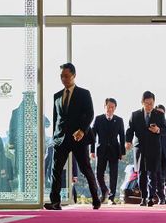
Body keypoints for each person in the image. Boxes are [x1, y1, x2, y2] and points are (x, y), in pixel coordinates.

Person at [45, 63, 100, 211]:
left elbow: (90, 114)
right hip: (60, 139)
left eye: (66, 76)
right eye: (61, 76)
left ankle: (96, 199)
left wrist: (82, 130)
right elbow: (56, 119)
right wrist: (54, 138)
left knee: (85, 169)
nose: (64, 79)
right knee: (56, 170)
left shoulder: (84, 93)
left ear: (74, 75)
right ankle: (55, 202)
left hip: (78, 138)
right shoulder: (57, 96)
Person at [125, 91, 166, 207]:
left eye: (151, 103)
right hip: (140, 148)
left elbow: (165, 130)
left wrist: (158, 130)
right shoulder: (135, 115)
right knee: (141, 174)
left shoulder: (159, 115)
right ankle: (143, 197)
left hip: (154, 148)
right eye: (147, 103)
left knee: (152, 174)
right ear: (142, 102)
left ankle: (150, 197)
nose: (149, 106)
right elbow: (129, 130)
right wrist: (128, 141)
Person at [91, 97, 125, 205]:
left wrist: (123, 152)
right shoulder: (98, 119)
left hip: (114, 151)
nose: (110, 109)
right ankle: (104, 190)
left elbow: (122, 137)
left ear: (115, 108)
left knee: (113, 174)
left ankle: (111, 197)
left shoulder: (119, 120)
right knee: (98, 174)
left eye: (112, 107)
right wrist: (92, 150)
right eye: (108, 106)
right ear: (104, 106)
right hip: (101, 150)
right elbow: (93, 136)